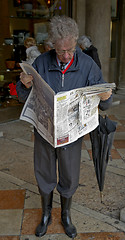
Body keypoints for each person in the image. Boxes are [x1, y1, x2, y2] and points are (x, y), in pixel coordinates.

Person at [16, 15, 112, 238]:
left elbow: (105, 104)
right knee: (44, 173)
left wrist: (105, 96)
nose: (66, 55)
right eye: (61, 51)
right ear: (51, 46)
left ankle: (66, 215)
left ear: (76, 43)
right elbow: (23, 98)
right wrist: (24, 84)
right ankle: (46, 214)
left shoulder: (87, 64)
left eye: (70, 49)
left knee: (69, 175)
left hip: (72, 133)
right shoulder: (41, 62)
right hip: (45, 132)